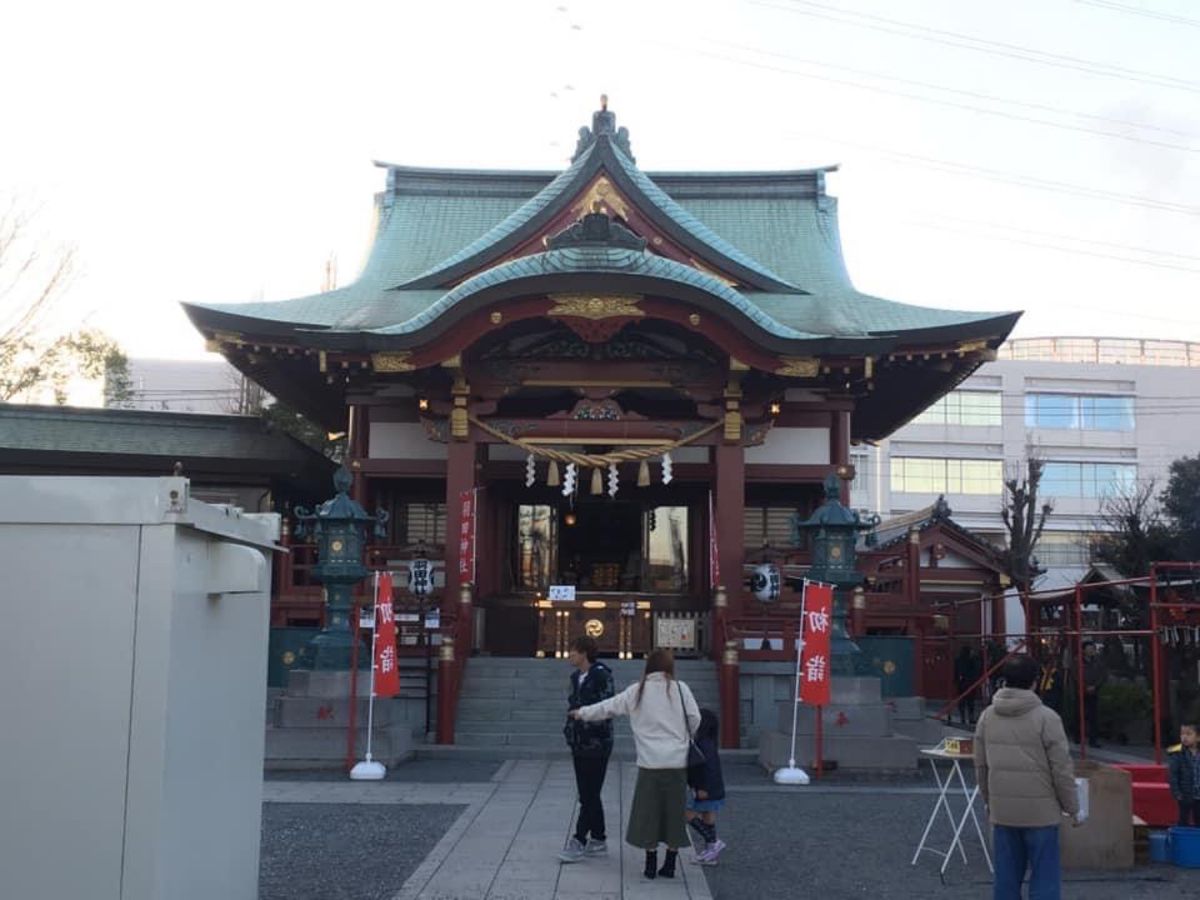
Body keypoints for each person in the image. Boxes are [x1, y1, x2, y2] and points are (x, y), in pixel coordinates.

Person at [571, 648, 700, 880]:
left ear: (648, 666)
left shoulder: (637, 691)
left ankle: (650, 862)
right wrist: (682, 737)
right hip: (676, 761)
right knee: (673, 811)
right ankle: (670, 862)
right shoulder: (681, 689)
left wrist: (582, 713)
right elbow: (695, 718)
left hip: (650, 761)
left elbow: (608, 707)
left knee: (648, 812)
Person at [974, 653, 1079, 900]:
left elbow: (981, 766)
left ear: (1004, 680)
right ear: (1034, 681)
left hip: (1003, 810)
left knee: (1006, 879)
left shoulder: (988, 716)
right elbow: (1061, 769)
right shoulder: (1047, 718)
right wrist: (1072, 806)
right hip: (1041, 811)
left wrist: (990, 800)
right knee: (1045, 877)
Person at [559, 635, 616, 863]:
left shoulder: (602, 675)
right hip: (578, 741)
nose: (569, 655)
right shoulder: (575, 677)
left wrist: (584, 715)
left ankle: (579, 839)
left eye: (573, 651)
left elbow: (607, 706)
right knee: (587, 792)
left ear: (584, 653)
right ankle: (599, 838)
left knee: (589, 792)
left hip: (597, 741)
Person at [685, 708, 726, 865]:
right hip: (715, 786)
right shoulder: (710, 743)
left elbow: (701, 767)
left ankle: (713, 841)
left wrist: (700, 787)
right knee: (708, 816)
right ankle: (711, 852)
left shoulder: (701, 743)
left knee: (687, 813)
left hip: (705, 787)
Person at [1167, 721, 1200, 827]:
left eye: (1188, 734)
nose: (1184, 737)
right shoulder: (1176, 753)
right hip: (1185, 794)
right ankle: (1183, 840)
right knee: (1183, 820)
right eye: (1182, 734)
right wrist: (1177, 793)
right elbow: (1173, 775)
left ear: (1198, 737)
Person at [1082, 641, 1108, 748]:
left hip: (1094, 691)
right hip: (1081, 691)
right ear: (1083, 650)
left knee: (1094, 716)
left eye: (1092, 648)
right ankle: (1079, 737)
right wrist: (1084, 686)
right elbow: (1076, 675)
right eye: (1089, 648)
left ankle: (1093, 740)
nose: (1091, 650)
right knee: (1080, 714)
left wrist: (1095, 686)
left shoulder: (1098, 661)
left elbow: (1103, 675)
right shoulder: (1078, 661)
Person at [954, 646, 982, 726]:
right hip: (970, 683)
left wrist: (956, 680)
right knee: (970, 701)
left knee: (962, 701)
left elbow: (956, 671)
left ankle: (963, 717)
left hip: (961, 682)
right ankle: (970, 717)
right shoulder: (972, 660)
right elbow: (975, 670)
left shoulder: (958, 659)